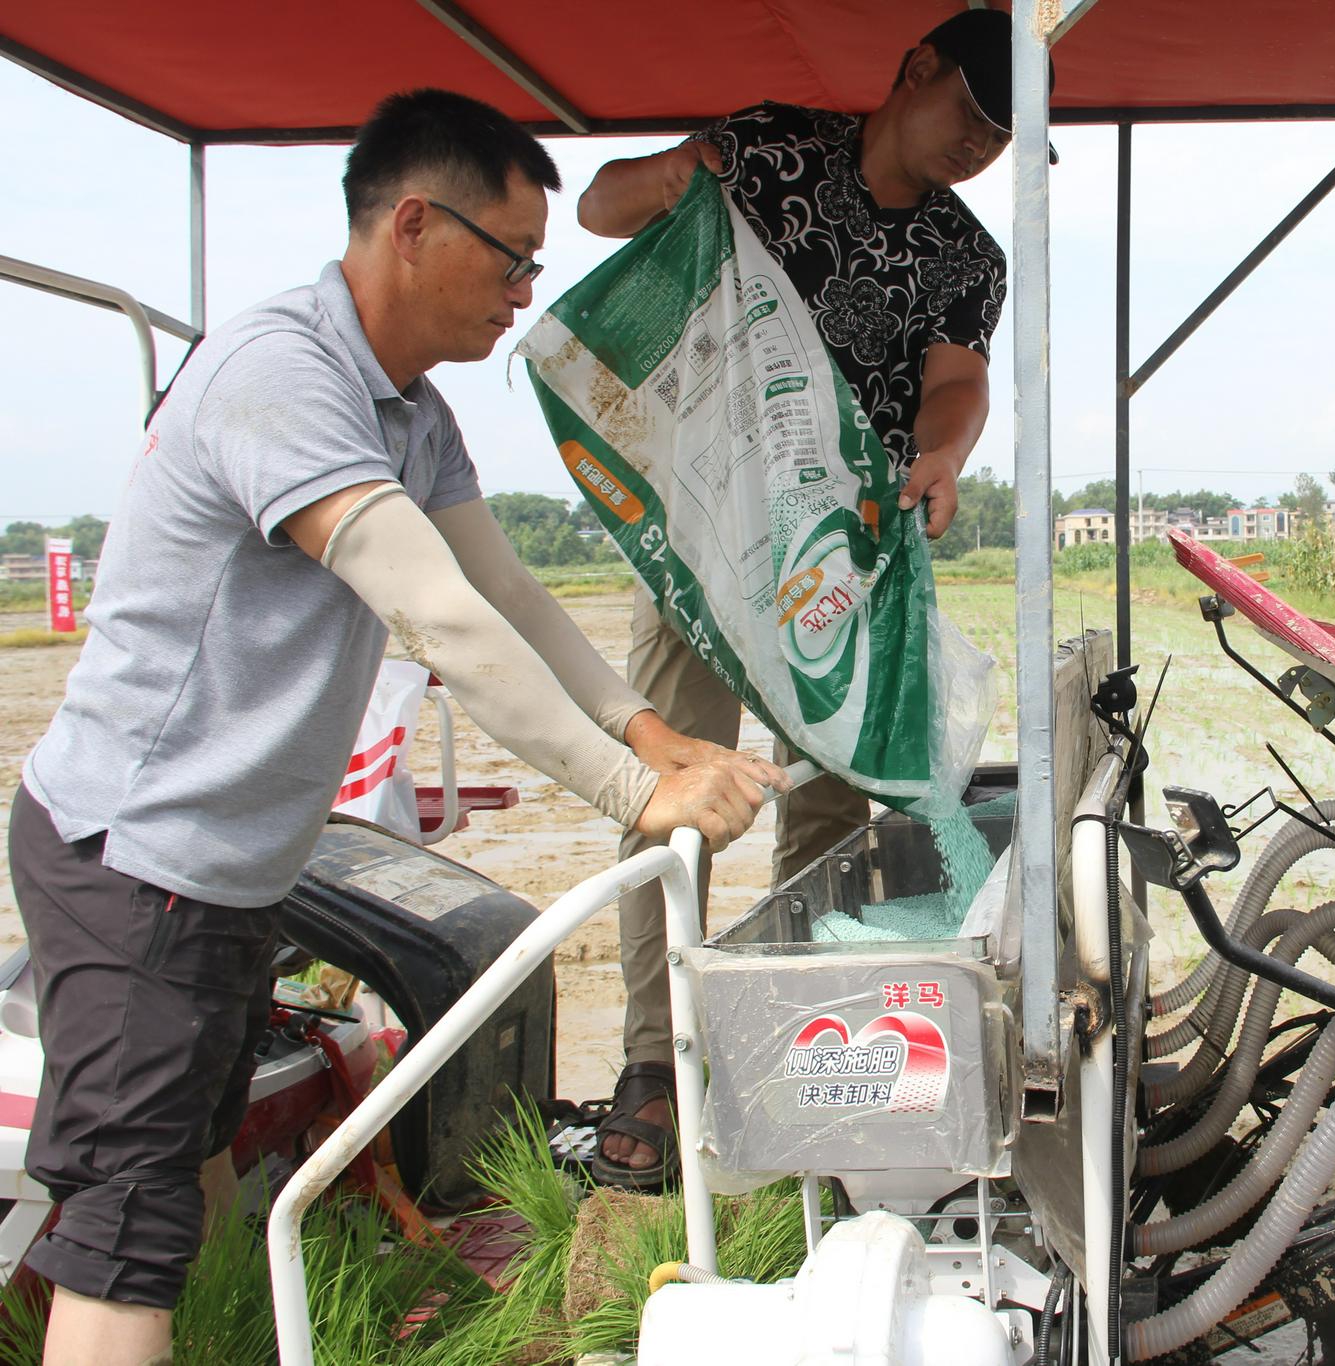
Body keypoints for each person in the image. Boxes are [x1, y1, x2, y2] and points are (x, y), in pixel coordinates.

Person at [9, 88, 785, 1366]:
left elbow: (508, 592)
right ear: (414, 225)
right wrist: (623, 793)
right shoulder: (280, 375)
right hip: (132, 859)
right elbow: (437, 617)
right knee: (122, 1238)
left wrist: (651, 732)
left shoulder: (412, 413)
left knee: (198, 1187)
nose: (524, 291)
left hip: (233, 869)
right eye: (511, 256)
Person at [574, 8, 1032, 1183]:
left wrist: (940, 454)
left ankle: (793, 1026)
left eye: (1002, 136)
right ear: (913, 68)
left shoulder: (964, 255)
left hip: (847, 559)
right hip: (705, 540)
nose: (979, 148)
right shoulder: (773, 151)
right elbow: (602, 209)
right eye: (972, 117)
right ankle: (651, 1059)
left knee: (830, 806)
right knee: (672, 787)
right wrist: (680, 173)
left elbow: (956, 380)